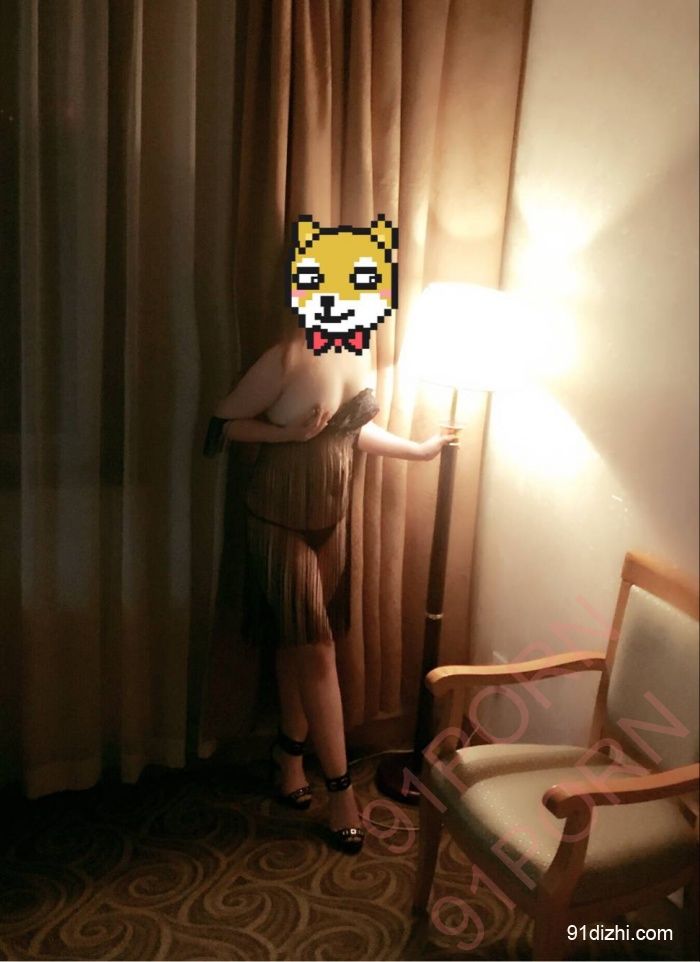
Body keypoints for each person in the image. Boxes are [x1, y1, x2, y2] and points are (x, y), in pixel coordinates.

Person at [209, 325, 452, 854]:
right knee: (317, 651)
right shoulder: (286, 355)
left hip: (331, 523)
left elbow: (351, 431)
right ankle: (342, 794)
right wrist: (287, 435)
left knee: (297, 640)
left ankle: (289, 755)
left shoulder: (358, 349)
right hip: (277, 520)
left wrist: (418, 450)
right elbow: (222, 425)